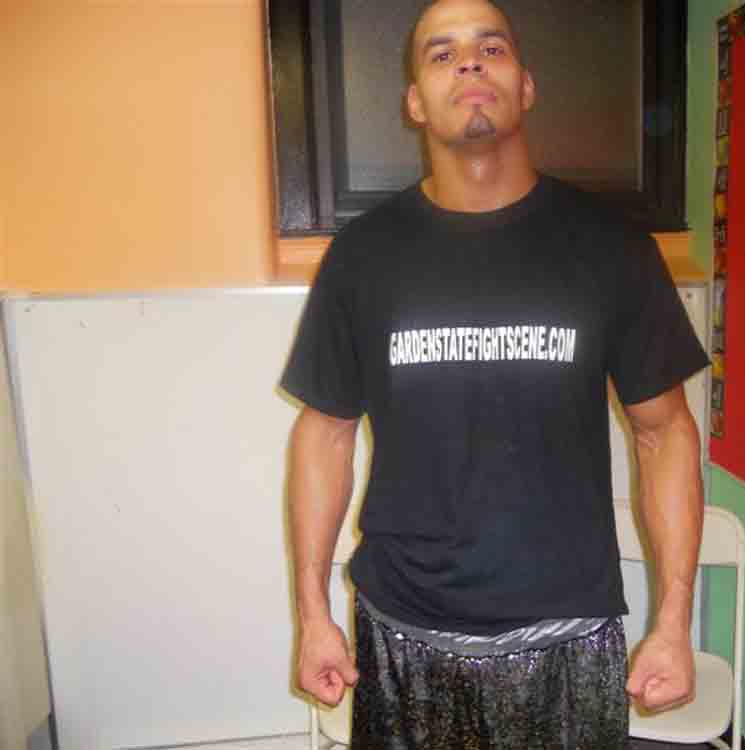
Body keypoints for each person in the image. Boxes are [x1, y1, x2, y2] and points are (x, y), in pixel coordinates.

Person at [280, 1, 709, 747]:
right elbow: (325, 435)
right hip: (402, 634)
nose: (470, 62)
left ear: (526, 85)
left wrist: (673, 622)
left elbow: (664, 434)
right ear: (415, 101)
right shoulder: (362, 256)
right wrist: (312, 616)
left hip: (568, 639)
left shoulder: (611, 247)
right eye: (441, 54)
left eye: (491, 47)